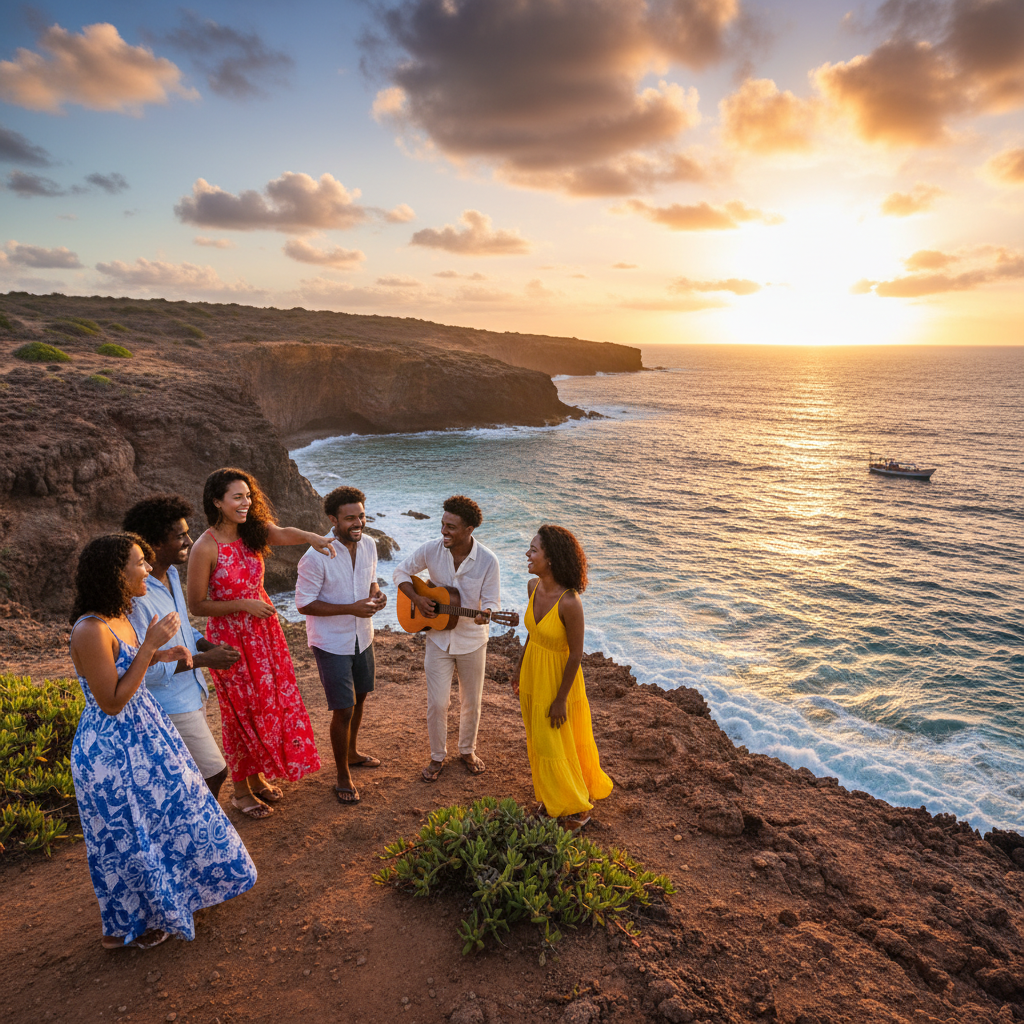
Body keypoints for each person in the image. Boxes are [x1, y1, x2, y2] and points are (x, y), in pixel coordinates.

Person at [69, 533, 257, 950]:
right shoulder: (90, 629)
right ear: (116, 572)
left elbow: (126, 669)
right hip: (112, 749)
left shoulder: (119, 615)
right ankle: (126, 927)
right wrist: (150, 646)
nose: (146, 569)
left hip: (144, 734)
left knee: (167, 820)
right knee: (130, 838)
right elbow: (113, 700)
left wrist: (158, 655)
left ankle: (168, 903)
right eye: (138, 563)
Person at [187, 468, 333, 819]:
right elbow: (196, 605)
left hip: (265, 637)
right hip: (231, 640)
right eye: (237, 497)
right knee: (240, 713)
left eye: (248, 496)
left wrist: (313, 536)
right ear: (217, 502)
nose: (246, 503)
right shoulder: (204, 546)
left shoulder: (252, 532)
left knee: (266, 706)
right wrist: (243, 604)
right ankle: (240, 792)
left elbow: (283, 533)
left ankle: (256, 778)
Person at [123, 494, 241, 799]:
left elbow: (180, 626)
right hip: (168, 703)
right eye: (181, 536)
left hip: (192, 692)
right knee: (214, 771)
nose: (189, 540)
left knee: (184, 776)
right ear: (155, 544)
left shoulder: (172, 574)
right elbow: (144, 668)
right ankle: (202, 830)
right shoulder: (138, 599)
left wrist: (204, 643)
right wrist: (205, 660)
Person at [394, 495, 501, 782]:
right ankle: (436, 756)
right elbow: (400, 571)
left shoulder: (488, 561)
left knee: (471, 701)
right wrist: (417, 597)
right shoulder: (431, 550)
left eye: (451, 527)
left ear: (469, 530)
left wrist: (487, 613)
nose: (444, 531)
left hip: (472, 640)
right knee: (438, 703)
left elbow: (492, 601)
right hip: (438, 640)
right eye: (443, 524)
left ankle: (467, 750)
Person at [511, 525, 612, 828]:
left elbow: (577, 655)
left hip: (558, 681)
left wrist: (561, 699)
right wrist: (518, 668)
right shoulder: (532, 587)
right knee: (540, 743)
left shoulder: (570, 602)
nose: (528, 554)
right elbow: (532, 635)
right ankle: (551, 799)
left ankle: (576, 809)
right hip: (533, 674)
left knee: (555, 744)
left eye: (534, 550)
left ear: (551, 558)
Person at [296, 486, 387, 805]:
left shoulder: (370, 545)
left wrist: (377, 595)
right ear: (333, 519)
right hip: (331, 643)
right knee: (343, 708)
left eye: (361, 516)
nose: (358, 522)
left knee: (360, 699)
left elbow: (371, 580)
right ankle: (341, 775)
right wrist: (350, 608)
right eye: (350, 518)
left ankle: (351, 752)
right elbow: (304, 604)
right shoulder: (314, 557)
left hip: (364, 636)